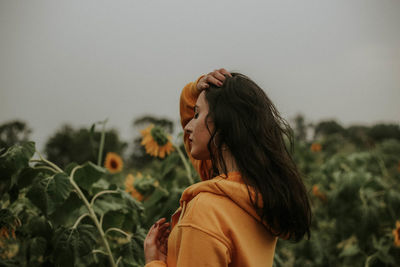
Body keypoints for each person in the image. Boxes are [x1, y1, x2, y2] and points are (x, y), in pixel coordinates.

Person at [144, 68, 312, 267]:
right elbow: (196, 142)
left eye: (197, 115)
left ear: (223, 126)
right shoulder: (259, 196)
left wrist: (155, 262)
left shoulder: (206, 212)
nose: (188, 126)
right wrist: (194, 92)